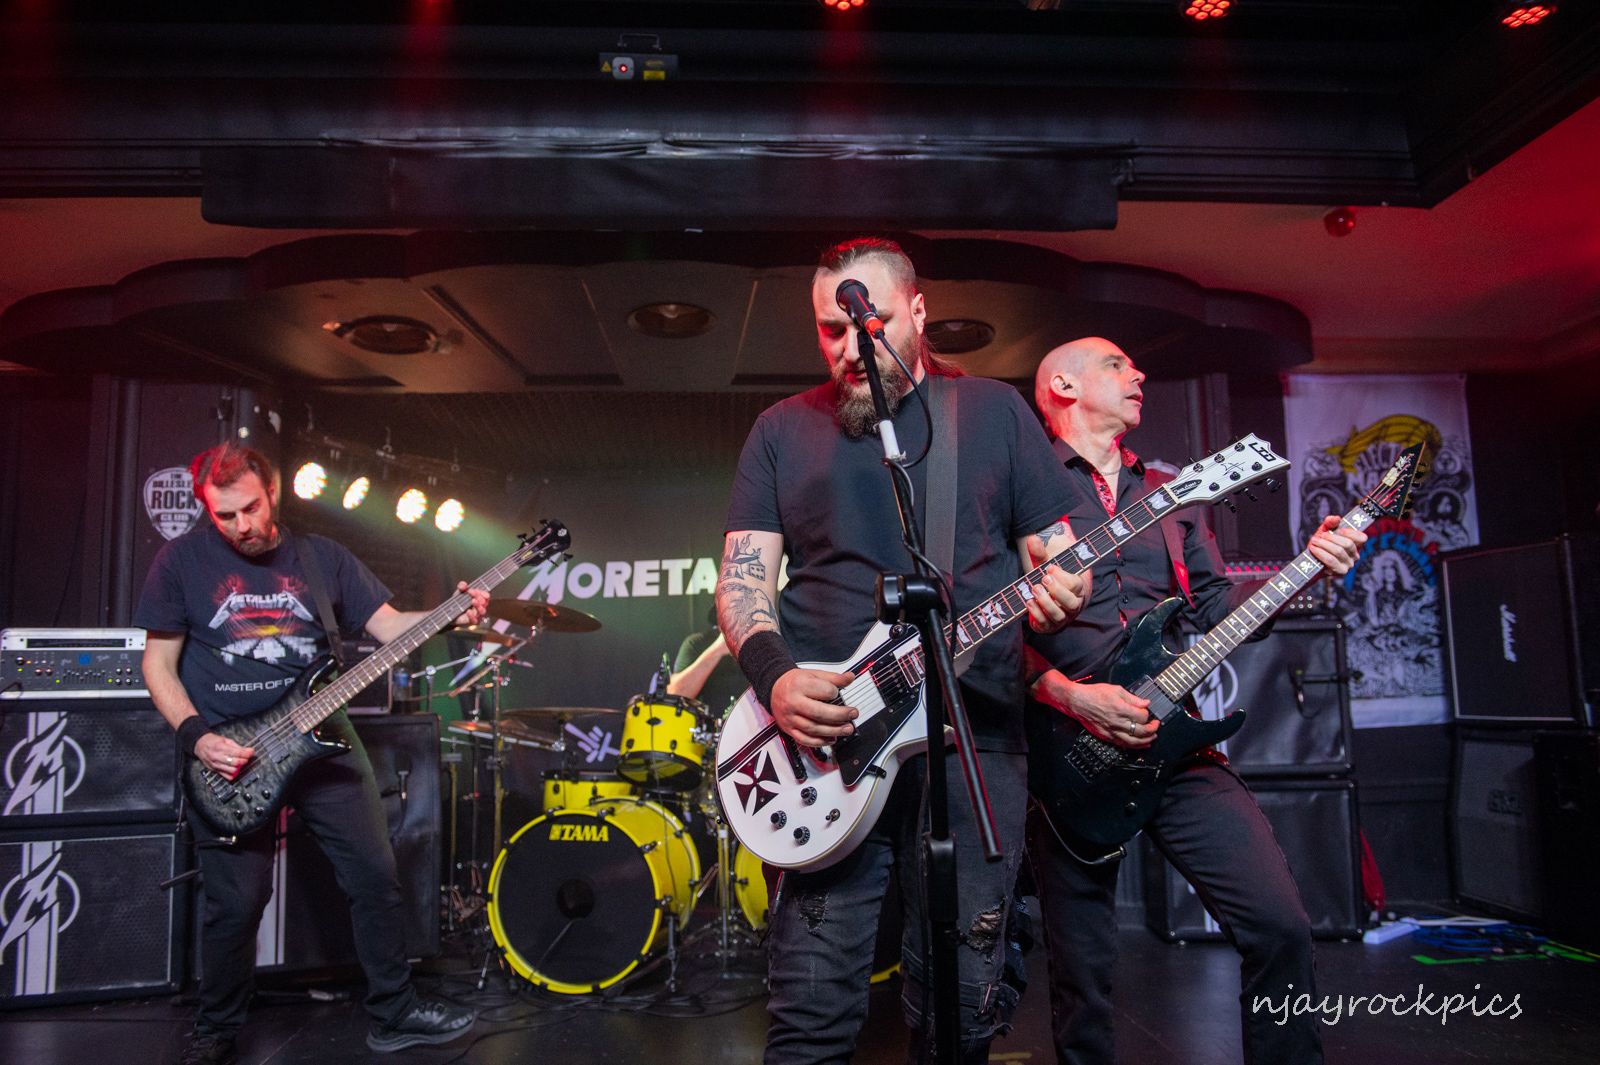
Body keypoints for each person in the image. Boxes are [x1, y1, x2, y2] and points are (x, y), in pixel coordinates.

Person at [718, 236, 1088, 1065]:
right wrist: (776, 680)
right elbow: (741, 583)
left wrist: (1067, 583)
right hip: (827, 742)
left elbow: (1059, 552)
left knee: (960, 1016)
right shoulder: (780, 429)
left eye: (871, 323)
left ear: (918, 312)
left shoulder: (991, 413)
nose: (852, 346)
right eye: (831, 329)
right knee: (809, 1015)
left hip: (971, 741)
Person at [1022, 337, 1366, 1065]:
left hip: (1172, 743)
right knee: (1083, 980)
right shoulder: (1024, 486)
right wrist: (1072, 697)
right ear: (1063, 385)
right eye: (1116, 365)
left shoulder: (1170, 491)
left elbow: (1214, 605)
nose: (1138, 373)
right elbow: (986, 632)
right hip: (1065, 752)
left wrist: (1306, 565)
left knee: (1280, 925)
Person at [136, 443, 485, 1065]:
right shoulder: (180, 562)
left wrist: (451, 615)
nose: (242, 526)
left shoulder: (323, 559)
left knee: (375, 876)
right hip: (230, 751)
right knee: (237, 903)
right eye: (224, 516)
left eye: (251, 508)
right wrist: (196, 736)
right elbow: (157, 664)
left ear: (272, 493)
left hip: (323, 736)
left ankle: (394, 1012)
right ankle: (216, 1030)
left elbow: (389, 627)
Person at [667, 607, 748, 716]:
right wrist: (717, 650)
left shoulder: (766, 644)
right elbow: (674, 695)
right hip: (710, 723)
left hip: (760, 724)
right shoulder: (697, 643)